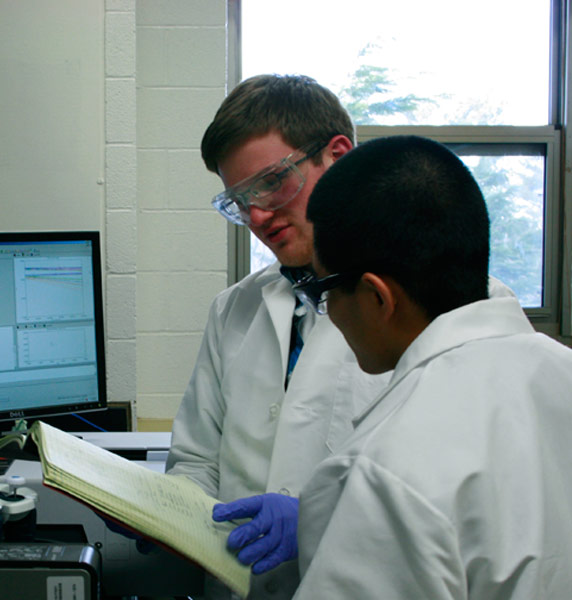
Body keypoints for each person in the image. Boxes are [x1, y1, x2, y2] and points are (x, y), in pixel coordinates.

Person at [166, 75, 513, 598]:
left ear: (338, 156)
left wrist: (317, 518)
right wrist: (162, 511)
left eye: (273, 181)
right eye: (238, 200)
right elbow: (195, 460)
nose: (258, 215)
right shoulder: (233, 309)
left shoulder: (450, 301)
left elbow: (487, 493)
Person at [258, 135, 572, 598]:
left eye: (323, 292)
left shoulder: (383, 471)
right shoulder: (560, 369)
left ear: (377, 297)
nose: (329, 312)